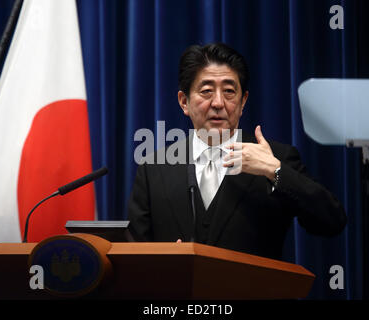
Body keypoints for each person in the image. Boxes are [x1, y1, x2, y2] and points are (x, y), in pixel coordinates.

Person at [127, 42, 346, 261]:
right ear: (184, 102)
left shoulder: (276, 158)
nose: (218, 103)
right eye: (206, 91)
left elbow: (331, 222)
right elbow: (135, 255)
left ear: (243, 102)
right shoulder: (154, 168)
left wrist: (275, 171)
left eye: (229, 92)